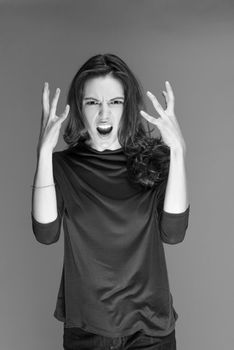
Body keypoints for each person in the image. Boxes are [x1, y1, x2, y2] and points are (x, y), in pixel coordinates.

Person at [31, 53, 190, 350]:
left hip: (150, 329)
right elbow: (45, 234)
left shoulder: (157, 162)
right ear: (79, 107)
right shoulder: (61, 166)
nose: (104, 114)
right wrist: (42, 154)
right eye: (93, 102)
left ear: (127, 106)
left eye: (114, 102)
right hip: (87, 329)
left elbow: (174, 233)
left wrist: (178, 152)